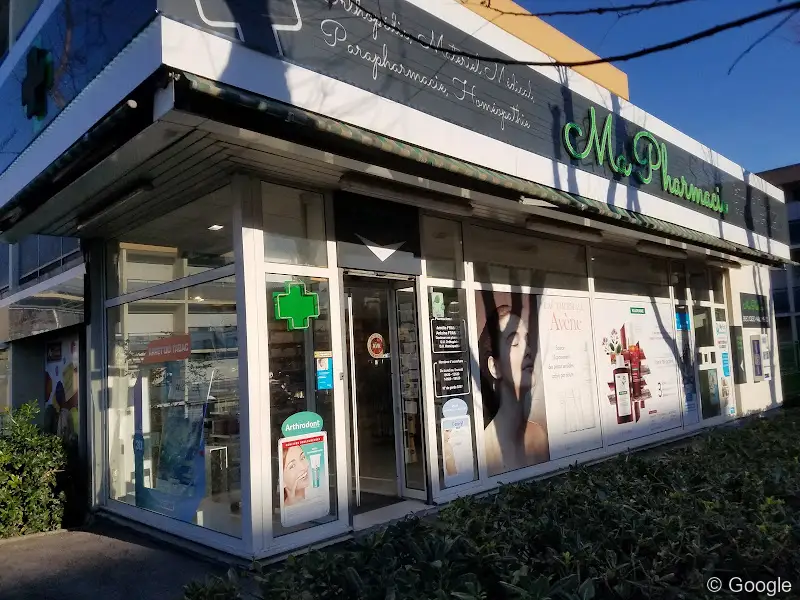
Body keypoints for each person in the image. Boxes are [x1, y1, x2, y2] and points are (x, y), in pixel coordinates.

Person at [478, 303, 550, 476]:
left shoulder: (538, 436)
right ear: (495, 367)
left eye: (527, 340)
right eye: (515, 343)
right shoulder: (483, 452)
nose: (528, 350)